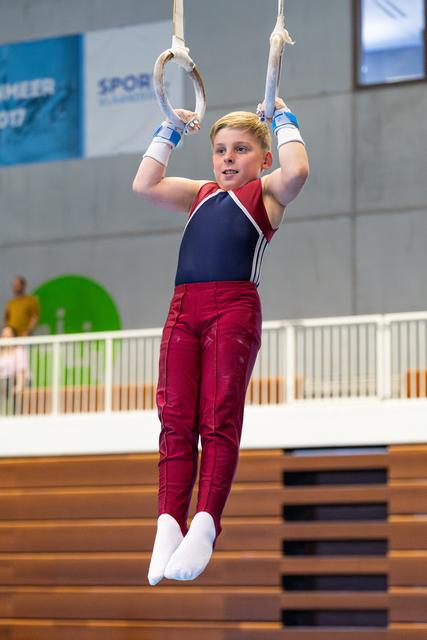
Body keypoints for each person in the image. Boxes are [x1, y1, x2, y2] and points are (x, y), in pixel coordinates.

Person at [133, 97, 309, 585]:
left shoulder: (268, 193)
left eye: (241, 149)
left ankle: (206, 521)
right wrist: (168, 129)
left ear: (263, 159)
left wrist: (283, 119)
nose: (229, 158)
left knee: (217, 418)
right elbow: (144, 184)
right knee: (173, 419)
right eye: (221, 150)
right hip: (182, 309)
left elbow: (299, 170)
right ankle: (169, 521)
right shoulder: (200, 193)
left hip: (233, 309)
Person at [0, 325, 29, 414]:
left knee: (7, 385)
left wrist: (19, 385)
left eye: (9, 336)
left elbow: (20, 370)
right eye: (4, 336)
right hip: (2, 382)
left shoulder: (18, 351)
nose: (6, 339)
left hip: (14, 381)